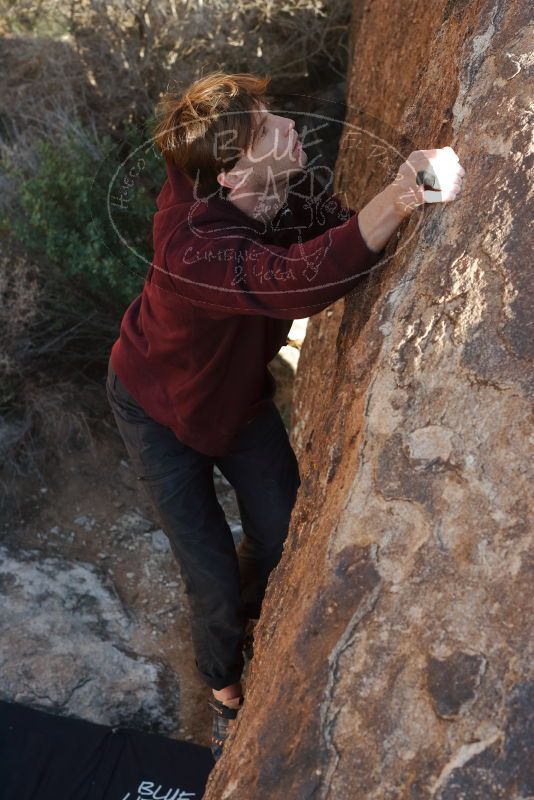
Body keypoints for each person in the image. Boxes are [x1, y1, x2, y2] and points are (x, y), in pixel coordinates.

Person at [105, 70, 465, 761]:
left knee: (280, 532)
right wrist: (404, 192)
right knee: (206, 572)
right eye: (270, 128)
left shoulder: (270, 182)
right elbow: (298, 281)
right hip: (156, 409)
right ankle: (222, 687)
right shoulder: (190, 247)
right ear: (233, 170)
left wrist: (385, 209)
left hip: (236, 400)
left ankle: (250, 607)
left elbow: (329, 239)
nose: (289, 128)